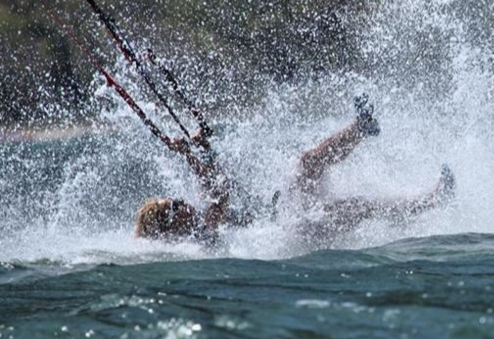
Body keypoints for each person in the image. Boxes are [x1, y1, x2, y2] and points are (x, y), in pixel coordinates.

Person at [133, 95, 455, 245]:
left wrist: (201, 149)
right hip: (289, 234)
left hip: (281, 213)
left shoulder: (194, 220)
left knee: (306, 163)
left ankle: (362, 127)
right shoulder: (198, 239)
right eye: (172, 208)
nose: (179, 203)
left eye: (174, 200)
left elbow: (215, 183)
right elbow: (222, 198)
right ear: (170, 226)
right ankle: (428, 203)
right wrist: (190, 154)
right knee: (349, 207)